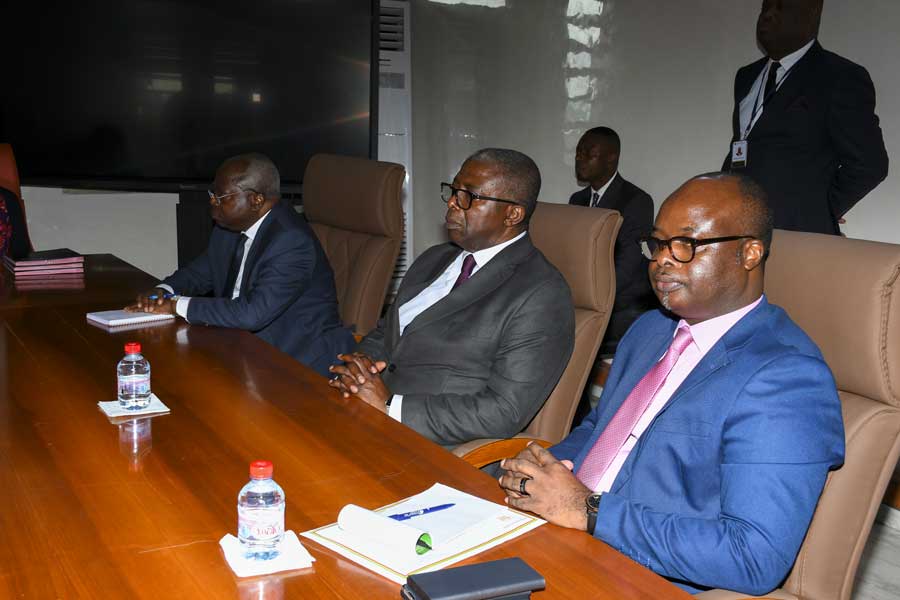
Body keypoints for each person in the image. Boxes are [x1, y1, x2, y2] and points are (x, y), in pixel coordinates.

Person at [498, 173, 844, 595]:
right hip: (561, 537)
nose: (662, 260)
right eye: (659, 243)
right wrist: (543, 469)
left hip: (636, 577)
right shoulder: (651, 329)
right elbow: (601, 428)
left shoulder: (786, 378)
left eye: (686, 245)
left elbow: (753, 556)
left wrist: (588, 510)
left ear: (749, 253)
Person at [328, 148, 575, 448]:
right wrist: (361, 368)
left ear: (512, 214)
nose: (452, 204)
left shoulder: (541, 294)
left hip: (435, 448)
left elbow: (504, 410)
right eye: (453, 191)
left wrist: (390, 406)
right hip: (366, 418)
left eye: (468, 196)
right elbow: (387, 332)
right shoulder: (434, 259)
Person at [128, 153, 354, 377]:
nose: (212, 202)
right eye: (212, 194)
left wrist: (175, 305)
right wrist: (164, 290)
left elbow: (252, 314)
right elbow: (200, 272)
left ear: (256, 200)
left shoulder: (291, 241)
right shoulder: (229, 227)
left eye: (221, 197)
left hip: (295, 364)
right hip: (241, 347)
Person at [722, 0, 888, 235]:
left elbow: (870, 165)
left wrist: (820, 210)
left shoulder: (840, 76)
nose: (768, 15)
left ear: (812, 13)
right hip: (738, 228)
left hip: (796, 237)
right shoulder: (746, 76)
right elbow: (744, 147)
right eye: (765, 7)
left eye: (781, 7)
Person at [570, 126, 655, 353]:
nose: (579, 158)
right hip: (586, 296)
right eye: (578, 152)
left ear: (611, 158)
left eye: (589, 153)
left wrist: (592, 295)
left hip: (621, 303)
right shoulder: (577, 200)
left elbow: (628, 264)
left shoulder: (636, 200)